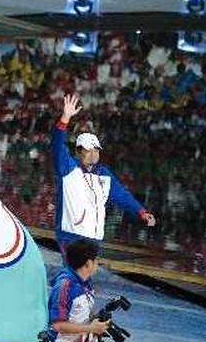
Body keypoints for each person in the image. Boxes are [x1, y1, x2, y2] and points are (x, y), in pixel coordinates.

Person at [50, 93, 155, 254]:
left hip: (94, 238)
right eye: (88, 150)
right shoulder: (69, 169)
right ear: (78, 152)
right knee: (75, 274)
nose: (93, 153)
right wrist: (65, 119)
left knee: (85, 277)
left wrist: (141, 211)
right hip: (71, 236)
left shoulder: (104, 175)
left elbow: (121, 195)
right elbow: (57, 147)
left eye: (96, 149)